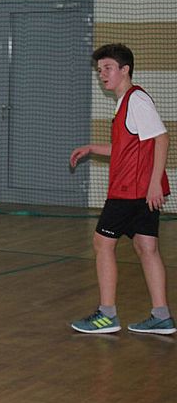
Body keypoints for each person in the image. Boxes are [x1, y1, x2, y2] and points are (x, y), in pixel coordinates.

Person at [69, 44, 174, 335]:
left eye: (108, 68)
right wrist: (92, 148)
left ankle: (106, 314)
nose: (102, 74)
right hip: (138, 190)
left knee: (102, 244)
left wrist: (154, 183)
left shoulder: (136, 99)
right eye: (99, 70)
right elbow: (128, 149)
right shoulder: (125, 102)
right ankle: (162, 316)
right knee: (147, 248)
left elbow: (162, 139)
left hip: (130, 191)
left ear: (125, 69)